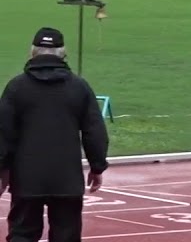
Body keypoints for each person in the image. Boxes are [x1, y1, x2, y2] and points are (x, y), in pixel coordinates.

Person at [0, 27, 110, 242]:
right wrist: (97, 166)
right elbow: (94, 131)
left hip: (26, 179)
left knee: (22, 235)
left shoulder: (16, 87)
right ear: (63, 52)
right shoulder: (79, 86)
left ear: (32, 52)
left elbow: (4, 133)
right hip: (67, 179)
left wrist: (2, 169)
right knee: (66, 236)